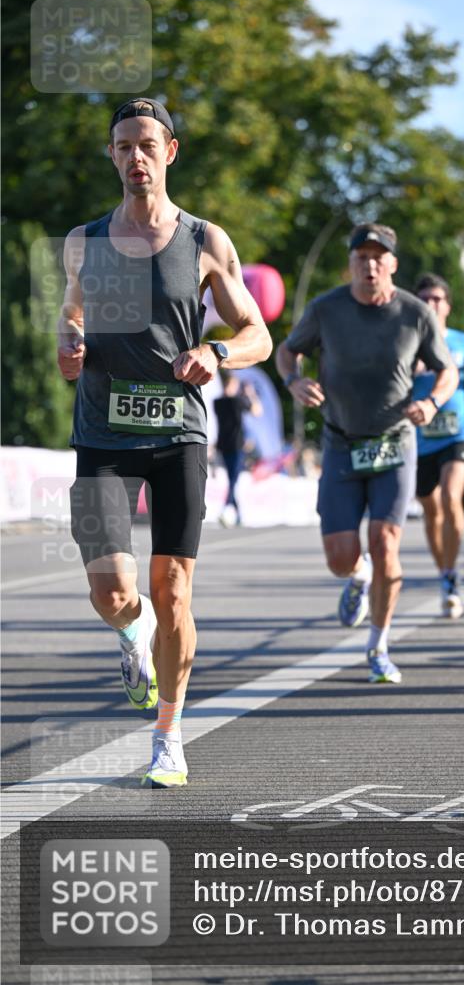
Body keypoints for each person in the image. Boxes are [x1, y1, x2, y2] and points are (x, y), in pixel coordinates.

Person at [56, 98, 272, 787]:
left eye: (147, 144)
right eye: (123, 146)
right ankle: (131, 631)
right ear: (113, 155)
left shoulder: (206, 240)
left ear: (170, 152)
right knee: (112, 593)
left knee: (173, 587)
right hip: (101, 433)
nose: (135, 157)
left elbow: (258, 334)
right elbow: (72, 319)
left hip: (176, 432)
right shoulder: (83, 241)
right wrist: (68, 343)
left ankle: (168, 736)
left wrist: (218, 354)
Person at [276, 223, 457, 682]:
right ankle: (358, 576)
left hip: (395, 443)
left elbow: (447, 370)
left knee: (386, 542)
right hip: (341, 443)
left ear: (393, 264)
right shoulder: (326, 308)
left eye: (379, 256)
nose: (370, 263)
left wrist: (431, 401)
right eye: (362, 256)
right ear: (351, 263)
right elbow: (288, 350)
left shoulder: (416, 314)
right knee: (341, 556)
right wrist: (294, 380)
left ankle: (378, 646)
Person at [412, 273, 464, 618]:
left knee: (450, 496)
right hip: (420, 438)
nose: (431, 304)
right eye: (425, 299)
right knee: (431, 511)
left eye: (437, 299)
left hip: (459, 433)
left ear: (447, 305)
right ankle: (444, 569)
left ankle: (450, 571)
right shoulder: (407, 340)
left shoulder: (462, 340)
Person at [214, 369, 262, 527]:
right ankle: (226, 508)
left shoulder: (217, 402)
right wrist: (250, 393)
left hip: (222, 444)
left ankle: (238, 513)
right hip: (236, 445)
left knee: (231, 478)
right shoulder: (237, 401)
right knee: (233, 479)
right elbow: (257, 411)